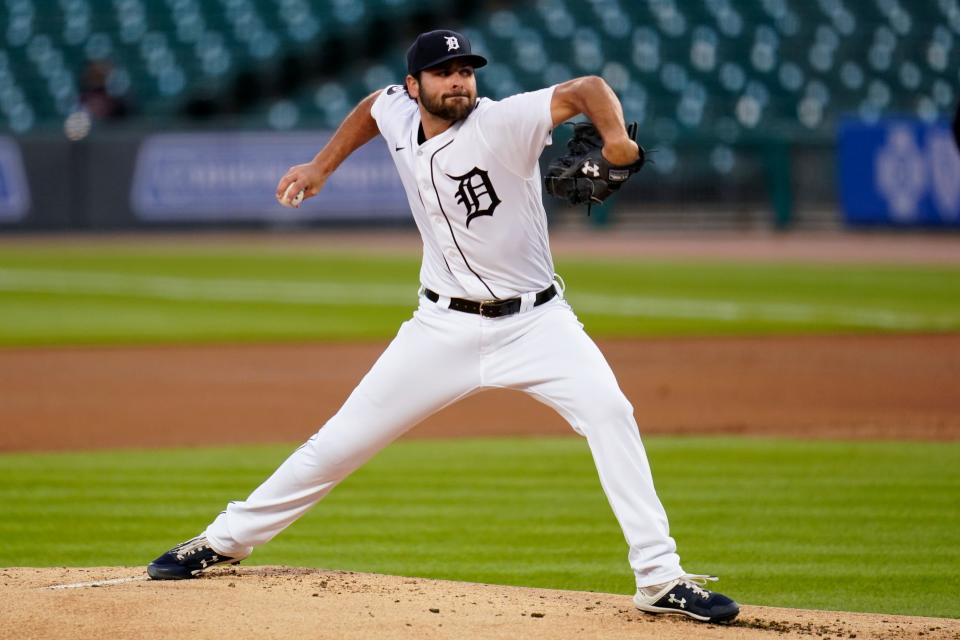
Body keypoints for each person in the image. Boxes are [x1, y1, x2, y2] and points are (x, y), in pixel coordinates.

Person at [146, 29, 739, 624]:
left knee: (612, 415)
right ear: (415, 86)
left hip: (537, 325)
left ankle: (660, 577)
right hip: (440, 330)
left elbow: (588, 89)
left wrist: (616, 145)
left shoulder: (504, 122)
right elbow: (371, 110)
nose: (459, 79)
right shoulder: (398, 112)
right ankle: (224, 540)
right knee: (338, 443)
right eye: (444, 71)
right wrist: (320, 167)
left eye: (466, 70)